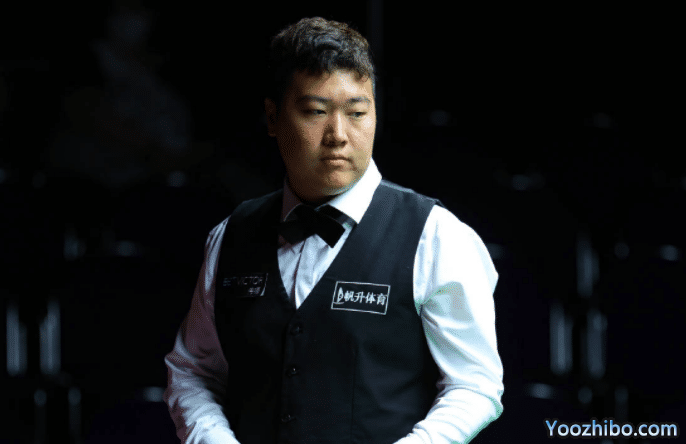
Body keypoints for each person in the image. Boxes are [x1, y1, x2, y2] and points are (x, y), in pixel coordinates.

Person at [164, 16, 503, 444]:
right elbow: (194, 372)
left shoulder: (436, 237)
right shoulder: (231, 236)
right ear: (273, 117)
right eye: (316, 112)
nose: (338, 135)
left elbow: (473, 386)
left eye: (357, 113)